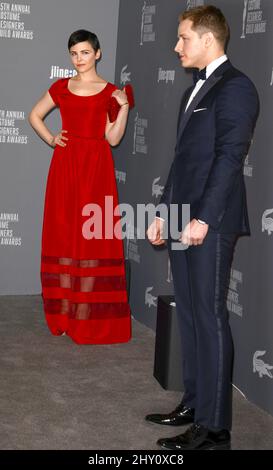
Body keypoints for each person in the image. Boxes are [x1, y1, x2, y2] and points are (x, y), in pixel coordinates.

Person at [146, 5, 259, 450]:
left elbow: (230, 159)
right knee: (191, 314)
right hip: (182, 218)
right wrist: (163, 212)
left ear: (208, 40)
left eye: (183, 38)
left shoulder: (236, 87)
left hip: (209, 222)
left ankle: (214, 430)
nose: (176, 46)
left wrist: (204, 219)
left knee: (210, 318)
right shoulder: (194, 88)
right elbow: (183, 162)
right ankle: (194, 404)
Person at [29, 29, 133, 345]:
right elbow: (34, 115)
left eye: (85, 52)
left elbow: (112, 138)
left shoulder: (110, 91)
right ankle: (62, 314)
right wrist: (51, 138)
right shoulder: (61, 87)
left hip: (96, 168)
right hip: (65, 165)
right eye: (74, 54)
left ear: (97, 54)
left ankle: (89, 316)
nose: (79, 59)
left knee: (93, 237)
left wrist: (123, 106)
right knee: (64, 232)